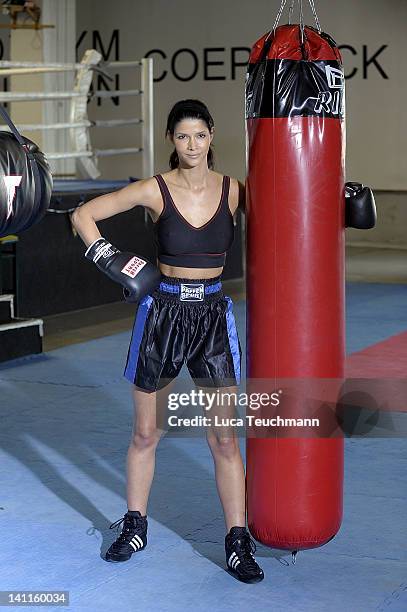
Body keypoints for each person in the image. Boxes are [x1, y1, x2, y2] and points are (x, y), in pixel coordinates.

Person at [71, 99, 264, 584]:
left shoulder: (236, 191)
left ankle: (237, 540)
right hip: (162, 314)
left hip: (213, 318)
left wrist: (337, 202)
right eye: (182, 136)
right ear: (172, 141)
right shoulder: (154, 190)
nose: (192, 145)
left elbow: (292, 211)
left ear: (212, 136)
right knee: (145, 433)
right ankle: (135, 525)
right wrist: (114, 260)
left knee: (224, 438)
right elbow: (83, 215)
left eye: (200, 134)